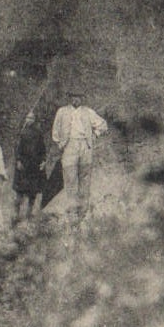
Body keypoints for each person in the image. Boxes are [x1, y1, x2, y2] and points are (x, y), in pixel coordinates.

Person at [51, 89, 108, 225]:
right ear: (70, 98)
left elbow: (103, 125)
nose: (76, 100)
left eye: (78, 97)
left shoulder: (88, 112)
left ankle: (83, 213)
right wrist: (61, 144)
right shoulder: (62, 111)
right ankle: (72, 213)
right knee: (70, 179)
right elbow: (55, 131)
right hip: (69, 145)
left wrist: (95, 135)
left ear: (82, 99)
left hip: (85, 146)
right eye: (73, 97)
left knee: (85, 179)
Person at [12, 110, 47, 221]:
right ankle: (16, 215)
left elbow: (42, 150)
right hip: (23, 165)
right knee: (19, 192)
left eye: (31, 118)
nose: (29, 120)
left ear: (35, 120)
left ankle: (29, 214)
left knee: (32, 192)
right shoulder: (21, 133)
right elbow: (17, 149)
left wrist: (43, 161)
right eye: (27, 118)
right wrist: (18, 160)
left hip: (34, 166)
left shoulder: (39, 134)